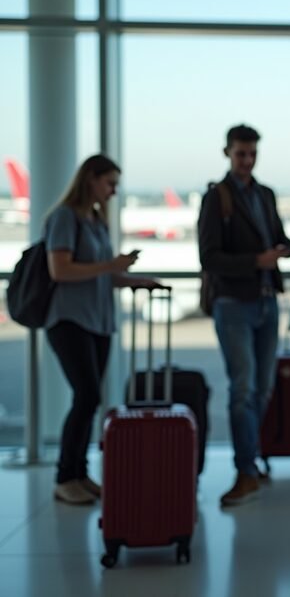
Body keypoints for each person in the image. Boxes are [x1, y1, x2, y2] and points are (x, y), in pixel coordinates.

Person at [198, 123, 290, 506]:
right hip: (233, 303)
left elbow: (274, 241)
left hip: (266, 300)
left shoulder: (264, 194)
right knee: (243, 388)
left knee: (262, 387)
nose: (247, 160)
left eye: (252, 154)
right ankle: (245, 469)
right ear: (227, 153)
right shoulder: (217, 197)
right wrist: (255, 261)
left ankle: (250, 461)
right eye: (241, 153)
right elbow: (209, 258)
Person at [46, 154, 159, 505]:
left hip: (97, 321)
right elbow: (60, 270)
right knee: (87, 396)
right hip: (70, 320)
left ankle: (78, 473)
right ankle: (65, 476)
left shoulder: (95, 220)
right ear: (90, 180)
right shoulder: (65, 218)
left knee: (90, 399)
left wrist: (134, 280)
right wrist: (111, 265)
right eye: (109, 183)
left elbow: (101, 275)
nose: (113, 191)